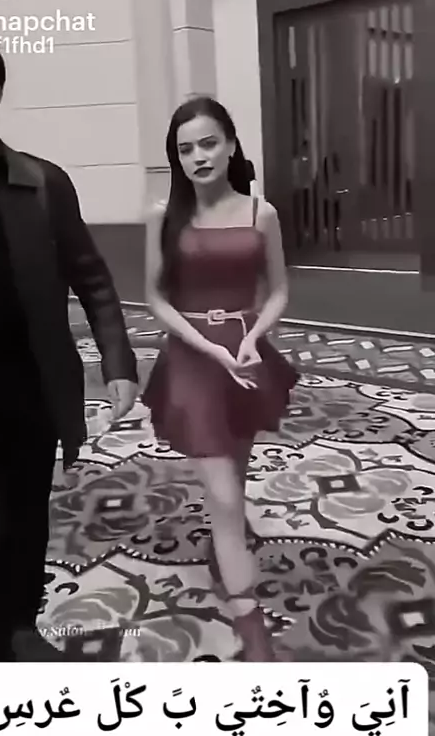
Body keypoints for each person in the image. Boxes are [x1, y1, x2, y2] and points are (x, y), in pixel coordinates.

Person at [0, 27, 138, 663]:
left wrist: (118, 362)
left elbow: (93, 278)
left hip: (34, 391)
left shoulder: (44, 183)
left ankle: (20, 630)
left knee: (29, 520)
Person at [143, 96, 298, 661]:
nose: (198, 157)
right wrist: (207, 345)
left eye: (208, 143)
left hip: (247, 355)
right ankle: (247, 613)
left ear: (231, 144)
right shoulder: (163, 214)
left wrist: (253, 337)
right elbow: (155, 298)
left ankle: (223, 545)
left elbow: (278, 291)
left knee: (236, 471)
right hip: (192, 358)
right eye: (185, 149)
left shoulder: (262, 213)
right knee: (226, 496)